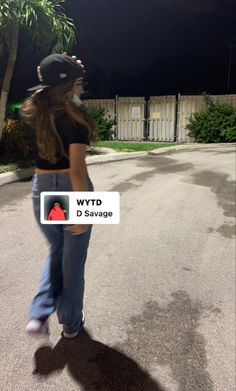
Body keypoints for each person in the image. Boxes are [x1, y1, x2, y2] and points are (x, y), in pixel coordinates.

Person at [21, 53, 97, 339]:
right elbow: (77, 171)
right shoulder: (75, 118)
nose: (82, 87)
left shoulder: (34, 112)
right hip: (71, 188)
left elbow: (56, 81)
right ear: (71, 86)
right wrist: (80, 214)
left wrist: (67, 71)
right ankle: (70, 324)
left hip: (42, 189)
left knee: (58, 252)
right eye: (79, 82)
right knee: (72, 264)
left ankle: (39, 313)